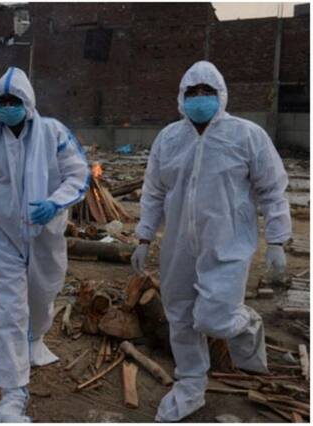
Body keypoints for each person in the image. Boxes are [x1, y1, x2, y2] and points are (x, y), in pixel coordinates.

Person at [131, 60, 291, 422]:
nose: (199, 98)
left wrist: (278, 239)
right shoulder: (169, 139)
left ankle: (247, 324)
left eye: (207, 91)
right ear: (181, 97)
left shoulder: (246, 135)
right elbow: (154, 192)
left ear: (221, 95)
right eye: (192, 92)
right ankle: (190, 383)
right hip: (178, 246)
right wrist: (144, 236)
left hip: (228, 243)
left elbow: (271, 188)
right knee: (180, 315)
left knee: (214, 319)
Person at [0, 67, 89, 422]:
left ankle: (35, 339)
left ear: (28, 102)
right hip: (1, 235)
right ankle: (13, 394)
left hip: (44, 233)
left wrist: (55, 202)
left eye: (15, 101)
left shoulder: (53, 133)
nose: (8, 107)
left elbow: (78, 175)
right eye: (3, 101)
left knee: (42, 298)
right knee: (9, 313)